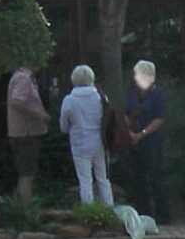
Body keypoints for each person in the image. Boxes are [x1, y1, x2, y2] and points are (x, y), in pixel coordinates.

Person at [57, 64, 113, 205]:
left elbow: (63, 127)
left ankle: (89, 212)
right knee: (103, 179)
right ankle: (109, 209)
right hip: (100, 142)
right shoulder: (101, 97)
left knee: (85, 181)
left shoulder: (69, 100)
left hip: (80, 144)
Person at [125, 59, 171, 223]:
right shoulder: (132, 92)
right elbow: (126, 112)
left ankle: (163, 214)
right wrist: (130, 132)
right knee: (138, 177)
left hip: (152, 140)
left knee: (156, 176)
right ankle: (143, 213)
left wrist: (142, 134)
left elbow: (159, 119)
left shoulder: (158, 94)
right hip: (134, 140)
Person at [6, 61, 51, 203]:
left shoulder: (21, 77)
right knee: (27, 174)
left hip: (22, 133)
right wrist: (40, 114)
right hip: (26, 133)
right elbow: (17, 101)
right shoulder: (24, 78)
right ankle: (26, 207)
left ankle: (18, 206)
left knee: (24, 173)